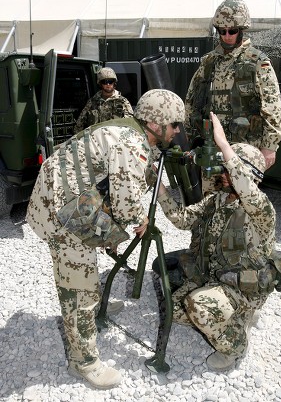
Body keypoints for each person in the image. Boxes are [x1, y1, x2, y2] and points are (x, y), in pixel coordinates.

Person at [26, 89, 184, 389]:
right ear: (156, 123)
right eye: (175, 124)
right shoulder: (131, 143)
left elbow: (133, 181)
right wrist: (141, 219)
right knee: (77, 286)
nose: (178, 130)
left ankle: (93, 305)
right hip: (62, 207)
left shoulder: (133, 130)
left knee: (90, 256)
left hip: (73, 196)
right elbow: (126, 204)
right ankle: (82, 361)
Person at [155, 111, 281, 371]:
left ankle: (236, 346)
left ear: (246, 174)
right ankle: (236, 317)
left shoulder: (260, 210)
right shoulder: (217, 200)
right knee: (176, 310)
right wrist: (159, 186)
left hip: (242, 287)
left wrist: (223, 143)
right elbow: (182, 219)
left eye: (229, 169)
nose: (222, 173)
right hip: (216, 278)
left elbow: (246, 188)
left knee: (200, 308)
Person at [184, 0, 281, 177]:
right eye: (222, 31)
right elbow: (191, 101)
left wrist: (269, 147)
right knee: (211, 199)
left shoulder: (257, 62)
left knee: (241, 199)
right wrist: (187, 135)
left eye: (232, 31)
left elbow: (273, 108)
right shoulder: (208, 62)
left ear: (242, 30)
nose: (227, 35)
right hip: (211, 148)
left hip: (245, 149)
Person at [73, 67, 133, 133]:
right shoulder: (92, 102)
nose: (108, 84)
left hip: (115, 140)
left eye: (110, 81)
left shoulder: (123, 102)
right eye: (104, 82)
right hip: (96, 140)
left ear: (114, 83)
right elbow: (80, 123)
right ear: (100, 84)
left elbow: (130, 124)